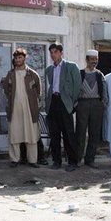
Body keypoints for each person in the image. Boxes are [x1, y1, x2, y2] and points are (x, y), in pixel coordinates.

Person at [45, 43, 81, 172]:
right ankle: (57, 161)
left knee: (68, 133)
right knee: (54, 133)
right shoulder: (49, 69)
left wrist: (72, 102)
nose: (53, 55)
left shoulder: (71, 67)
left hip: (65, 102)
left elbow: (77, 86)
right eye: (51, 53)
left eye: (55, 52)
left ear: (61, 52)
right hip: (53, 102)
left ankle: (72, 162)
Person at [3, 48, 41, 168]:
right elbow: (6, 90)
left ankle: (32, 160)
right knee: (14, 134)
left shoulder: (33, 75)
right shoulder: (10, 74)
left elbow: (39, 92)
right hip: (14, 108)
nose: (18, 60)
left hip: (29, 108)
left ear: (24, 58)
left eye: (20, 57)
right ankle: (15, 159)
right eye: (16, 58)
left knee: (31, 135)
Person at [75, 49, 108, 169]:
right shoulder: (80, 73)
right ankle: (78, 158)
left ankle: (90, 159)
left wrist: (102, 104)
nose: (94, 62)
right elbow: (75, 89)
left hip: (96, 104)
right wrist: (76, 104)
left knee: (94, 133)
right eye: (92, 59)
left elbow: (104, 91)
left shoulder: (100, 74)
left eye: (96, 59)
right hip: (83, 104)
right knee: (80, 132)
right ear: (87, 60)